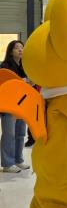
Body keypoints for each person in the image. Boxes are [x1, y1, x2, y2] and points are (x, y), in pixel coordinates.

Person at [1, 40, 30, 173]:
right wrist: (21, 81)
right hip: (9, 106)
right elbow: (6, 84)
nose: (20, 50)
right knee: (9, 134)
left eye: (22, 47)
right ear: (11, 51)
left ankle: (18, 160)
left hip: (22, 104)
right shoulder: (5, 66)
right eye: (17, 48)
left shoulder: (25, 67)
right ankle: (7, 163)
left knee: (20, 134)